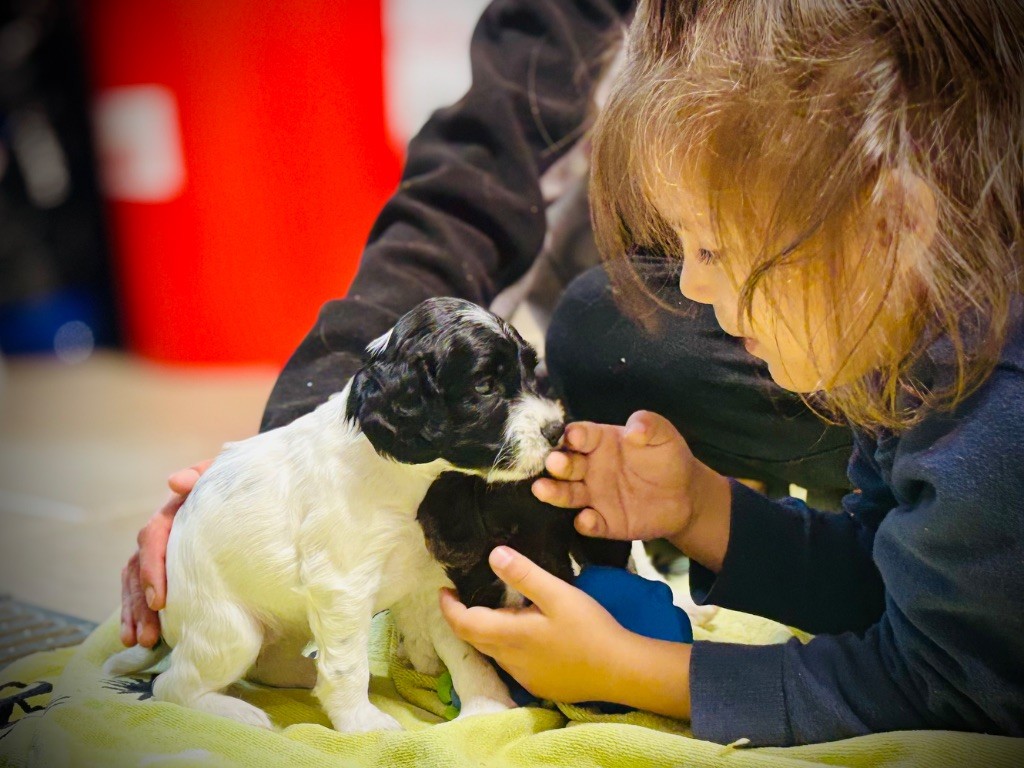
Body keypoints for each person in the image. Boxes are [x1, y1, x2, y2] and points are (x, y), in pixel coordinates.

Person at [120, 0, 854, 651]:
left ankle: (852, 484)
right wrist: (289, 464)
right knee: (607, 330)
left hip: (896, 327)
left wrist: (647, 672)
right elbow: (473, 186)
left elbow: (918, 669)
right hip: (739, 335)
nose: (696, 280)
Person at [439, 0, 1024, 747]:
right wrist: (702, 509)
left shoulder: (996, 417)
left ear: (893, 225)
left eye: (714, 250)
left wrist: (627, 668)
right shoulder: (915, 347)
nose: (689, 287)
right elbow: (889, 588)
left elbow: (940, 687)